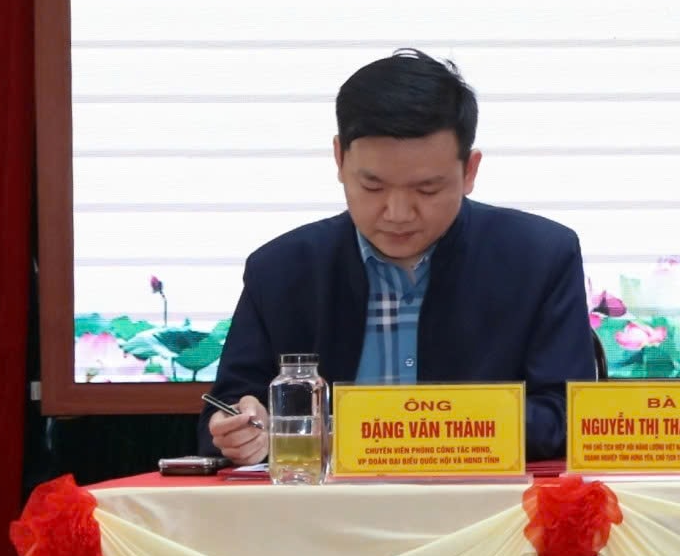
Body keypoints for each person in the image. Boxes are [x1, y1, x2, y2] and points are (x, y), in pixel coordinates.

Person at [207, 49, 593, 463]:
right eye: (373, 187)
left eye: (427, 189)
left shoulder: (539, 257)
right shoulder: (280, 270)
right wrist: (239, 432)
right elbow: (227, 409)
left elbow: (566, 414)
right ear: (339, 159)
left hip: (479, 497)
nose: (397, 213)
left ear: (470, 171)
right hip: (323, 500)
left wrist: (412, 431)